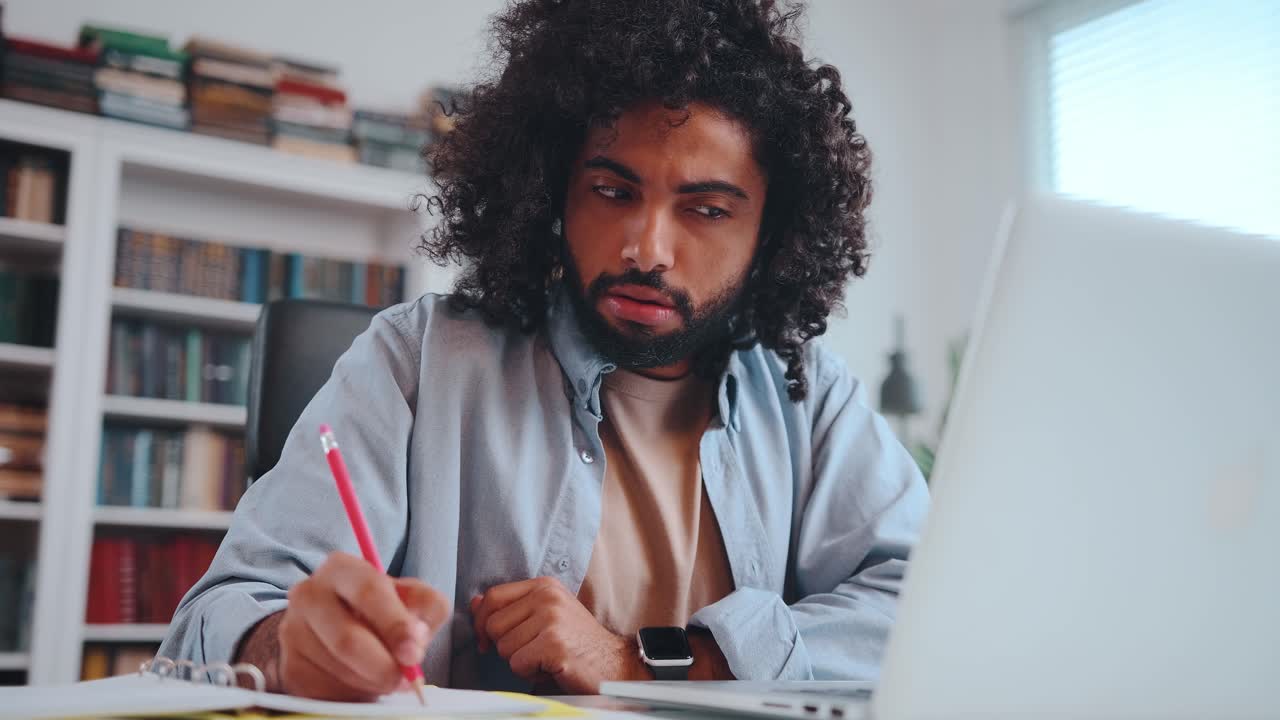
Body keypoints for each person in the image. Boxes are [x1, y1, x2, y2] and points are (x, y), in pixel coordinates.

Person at [159, 0, 928, 700]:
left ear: (772, 236)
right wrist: (289, 648)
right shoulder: (415, 362)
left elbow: (929, 604)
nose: (646, 248)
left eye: (705, 210)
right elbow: (217, 614)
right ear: (553, 189)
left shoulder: (810, 400)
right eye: (612, 191)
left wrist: (659, 660)